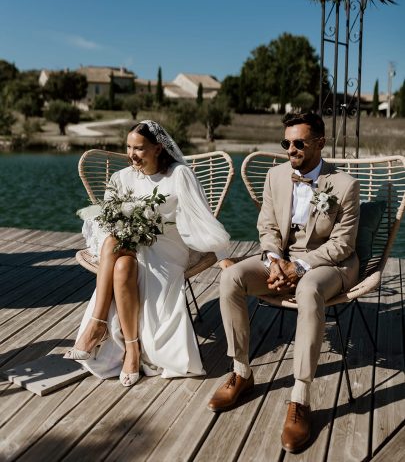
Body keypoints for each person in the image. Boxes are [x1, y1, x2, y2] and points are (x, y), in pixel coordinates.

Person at [208, 112, 360, 453]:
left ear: (320, 143)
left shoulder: (345, 185)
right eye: (286, 142)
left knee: (307, 288)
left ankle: (301, 397)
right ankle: (241, 372)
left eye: (299, 143)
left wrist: (300, 266)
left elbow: (343, 244)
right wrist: (275, 261)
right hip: (283, 259)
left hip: (329, 263)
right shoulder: (276, 175)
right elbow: (268, 228)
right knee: (232, 276)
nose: (291, 148)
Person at [64, 120, 230, 386]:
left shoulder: (178, 175)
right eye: (129, 147)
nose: (132, 154)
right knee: (117, 256)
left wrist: (223, 256)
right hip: (129, 246)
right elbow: (107, 222)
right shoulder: (121, 178)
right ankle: (130, 349)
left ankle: (98, 327)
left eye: (139, 148)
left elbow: (203, 217)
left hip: (168, 247)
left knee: (115, 251)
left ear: (158, 148)